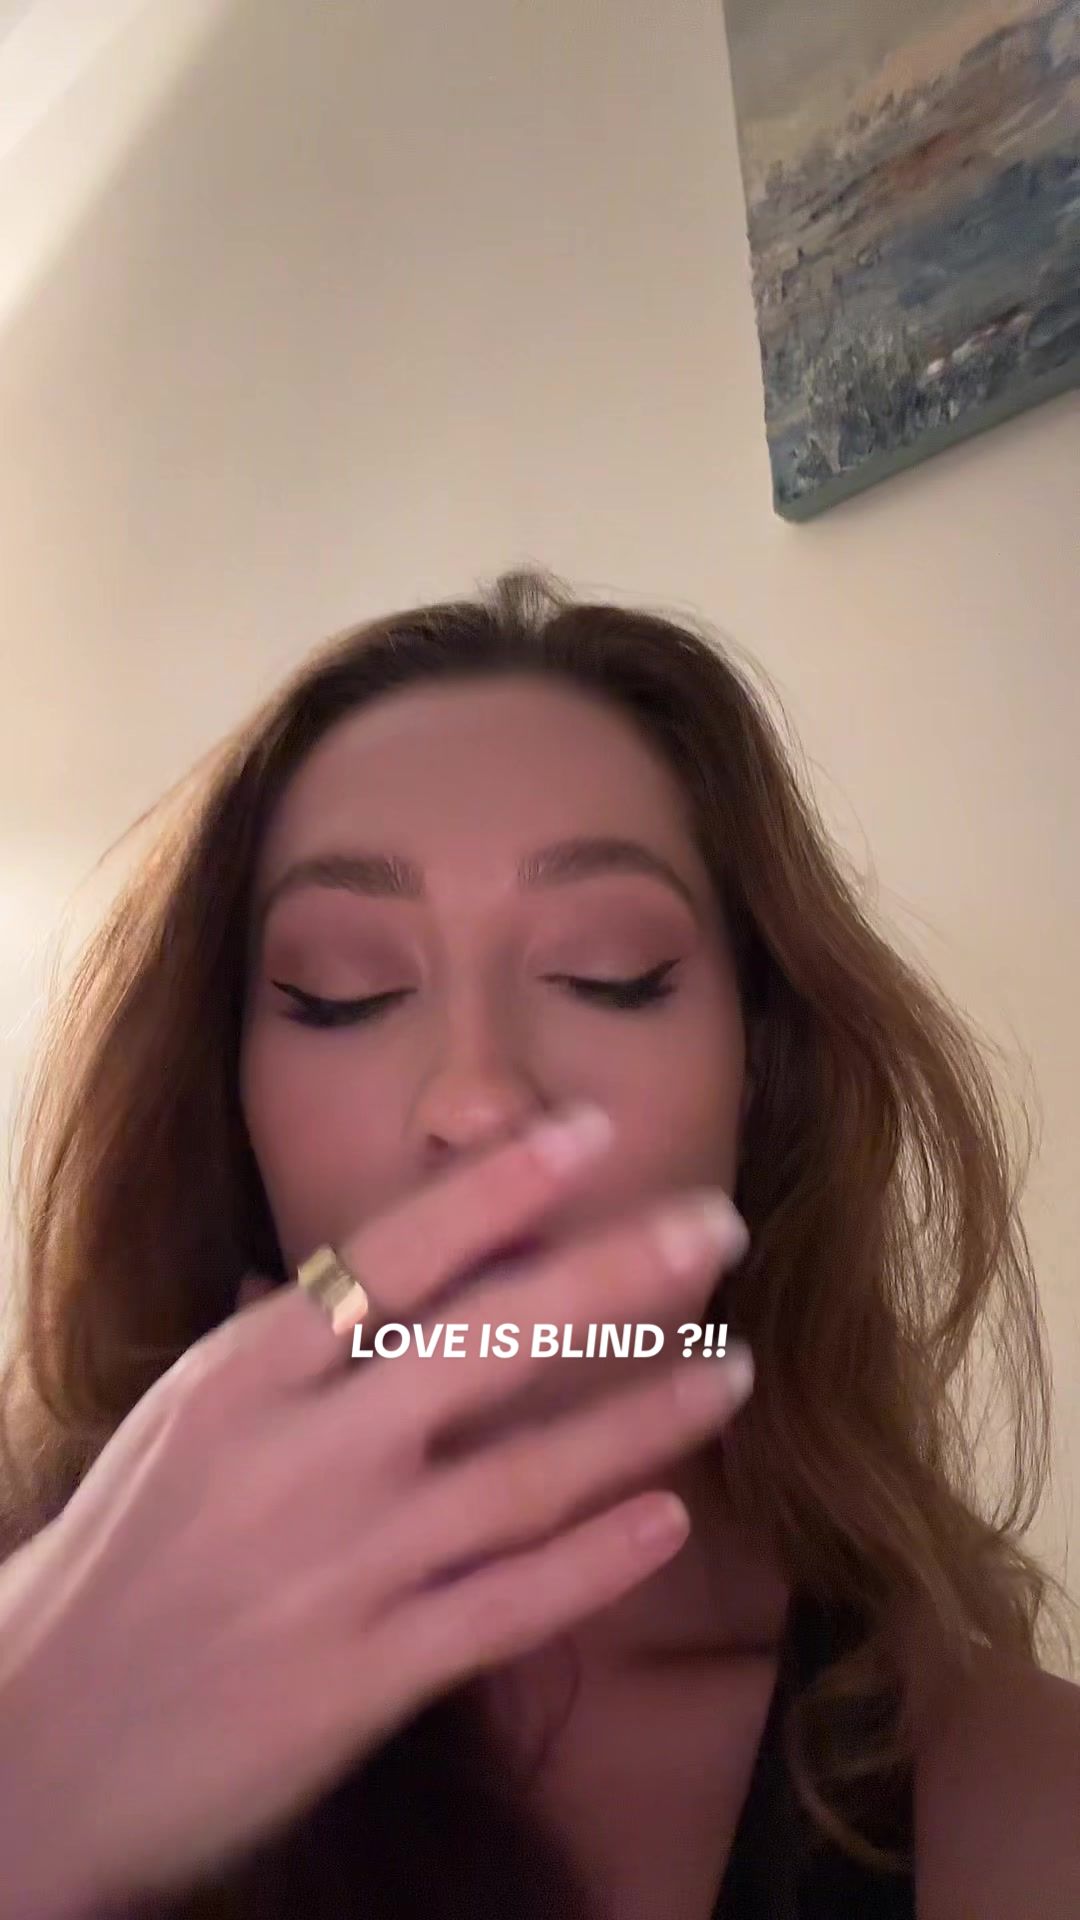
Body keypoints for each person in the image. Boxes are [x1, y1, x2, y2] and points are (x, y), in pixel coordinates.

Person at [0, 565, 1077, 1920]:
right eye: (341, 992)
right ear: (228, 1096)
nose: (478, 1098)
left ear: (759, 1069)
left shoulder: (1010, 1801)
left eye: (609, 975)